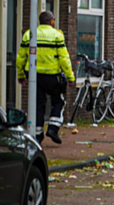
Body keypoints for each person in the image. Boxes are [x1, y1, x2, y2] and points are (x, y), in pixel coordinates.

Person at [16, 11, 75, 144]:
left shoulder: (29, 34)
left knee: (38, 105)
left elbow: (21, 57)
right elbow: (64, 58)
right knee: (59, 101)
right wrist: (70, 76)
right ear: (51, 21)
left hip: (33, 76)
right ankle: (53, 128)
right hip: (52, 76)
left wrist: (20, 74)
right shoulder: (57, 35)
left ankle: (37, 136)